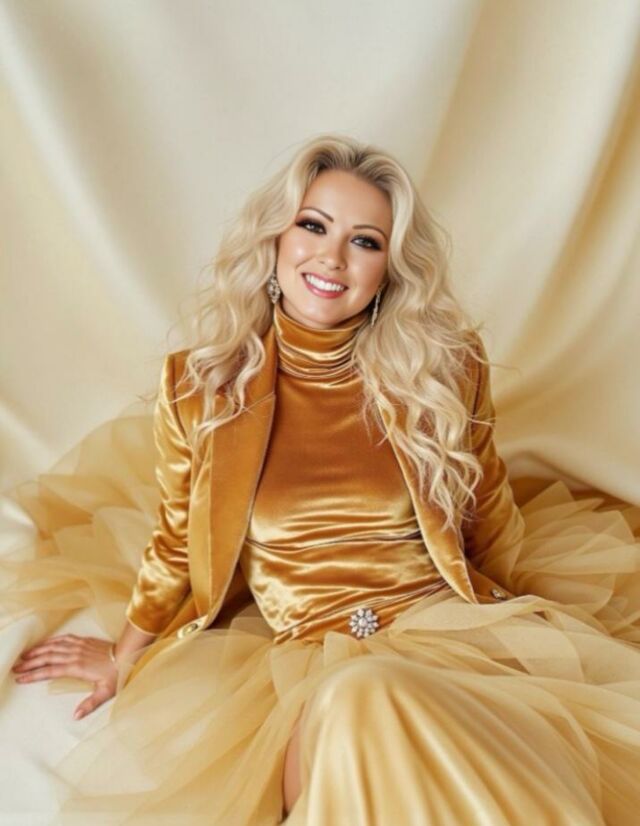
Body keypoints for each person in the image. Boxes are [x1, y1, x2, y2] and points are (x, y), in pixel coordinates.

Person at [7, 133, 640, 825]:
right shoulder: (201, 386)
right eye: (313, 226)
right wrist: (126, 651)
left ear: (389, 269)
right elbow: (178, 539)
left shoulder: (442, 369)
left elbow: (486, 513)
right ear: (277, 238)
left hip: (450, 639)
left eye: (365, 241)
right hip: (311, 667)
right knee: (359, 697)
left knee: (399, 709)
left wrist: (533, 628)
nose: (333, 258)